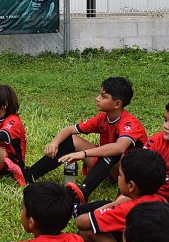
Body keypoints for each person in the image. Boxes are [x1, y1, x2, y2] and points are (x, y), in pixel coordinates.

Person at [25, 77, 147, 206]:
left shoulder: (130, 123)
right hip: (108, 168)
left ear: (117, 104)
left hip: (127, 173)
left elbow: (119, 148)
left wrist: (83, 153)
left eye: (103, 96)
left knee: (113, 151)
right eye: (99, 94)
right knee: (71, 140)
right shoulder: (102, 118)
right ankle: (29, 175)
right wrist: (53, 144)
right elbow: (69, 129)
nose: (97, 98)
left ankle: (82, 194)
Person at [74, 149, 168, 242]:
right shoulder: (161, 200)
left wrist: (113, 205)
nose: (118, 178)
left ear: (131, 186)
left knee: (89, 231)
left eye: (120, 175)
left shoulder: (128, 209)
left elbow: (80, 222)